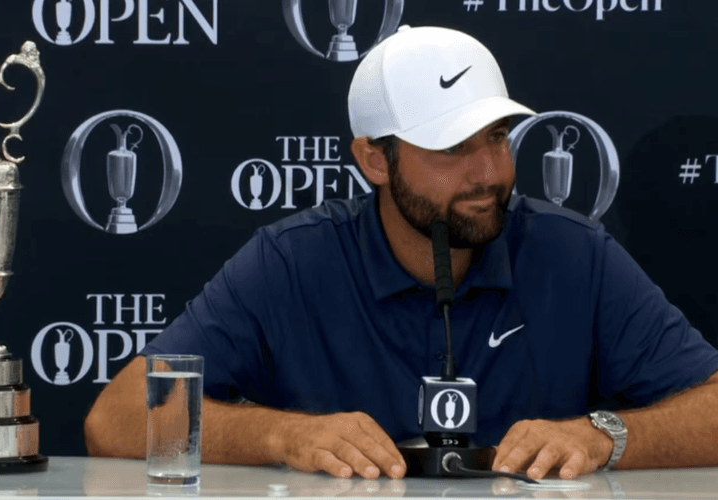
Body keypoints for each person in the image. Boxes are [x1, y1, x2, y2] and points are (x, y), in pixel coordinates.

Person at [84, 26, 718, 481]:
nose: (489, 172)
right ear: (373, 159)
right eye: (450, 148)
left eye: (497, 137)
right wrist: (285, 435)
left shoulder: (573, 254)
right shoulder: (292, 260)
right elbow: (113, 420)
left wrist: (604, 437)